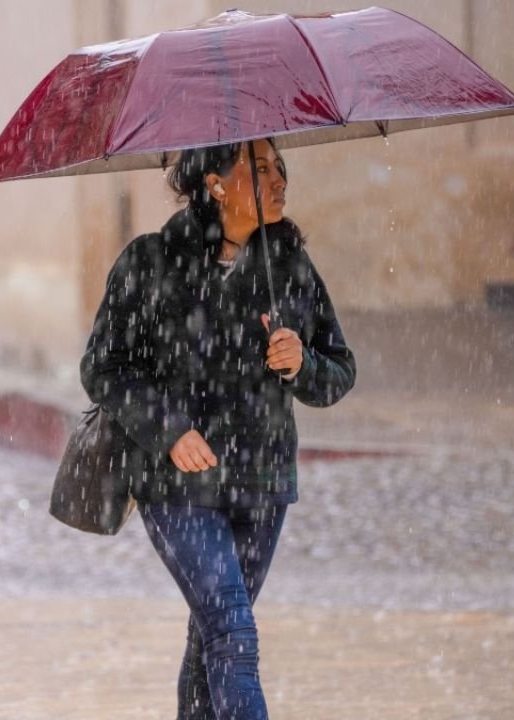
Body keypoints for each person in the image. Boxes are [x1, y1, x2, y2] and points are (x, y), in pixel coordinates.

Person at [81, 139, 356, 720]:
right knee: (233, 628)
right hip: (177, 483)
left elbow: (338, 372)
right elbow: (102, 368)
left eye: (280, 165)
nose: (279, 178)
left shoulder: (290, 266)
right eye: (259, 168)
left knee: (211, 637)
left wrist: (300, 361)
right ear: (215, 183)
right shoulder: (149, 261)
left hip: (262, 481)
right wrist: (169, 430)